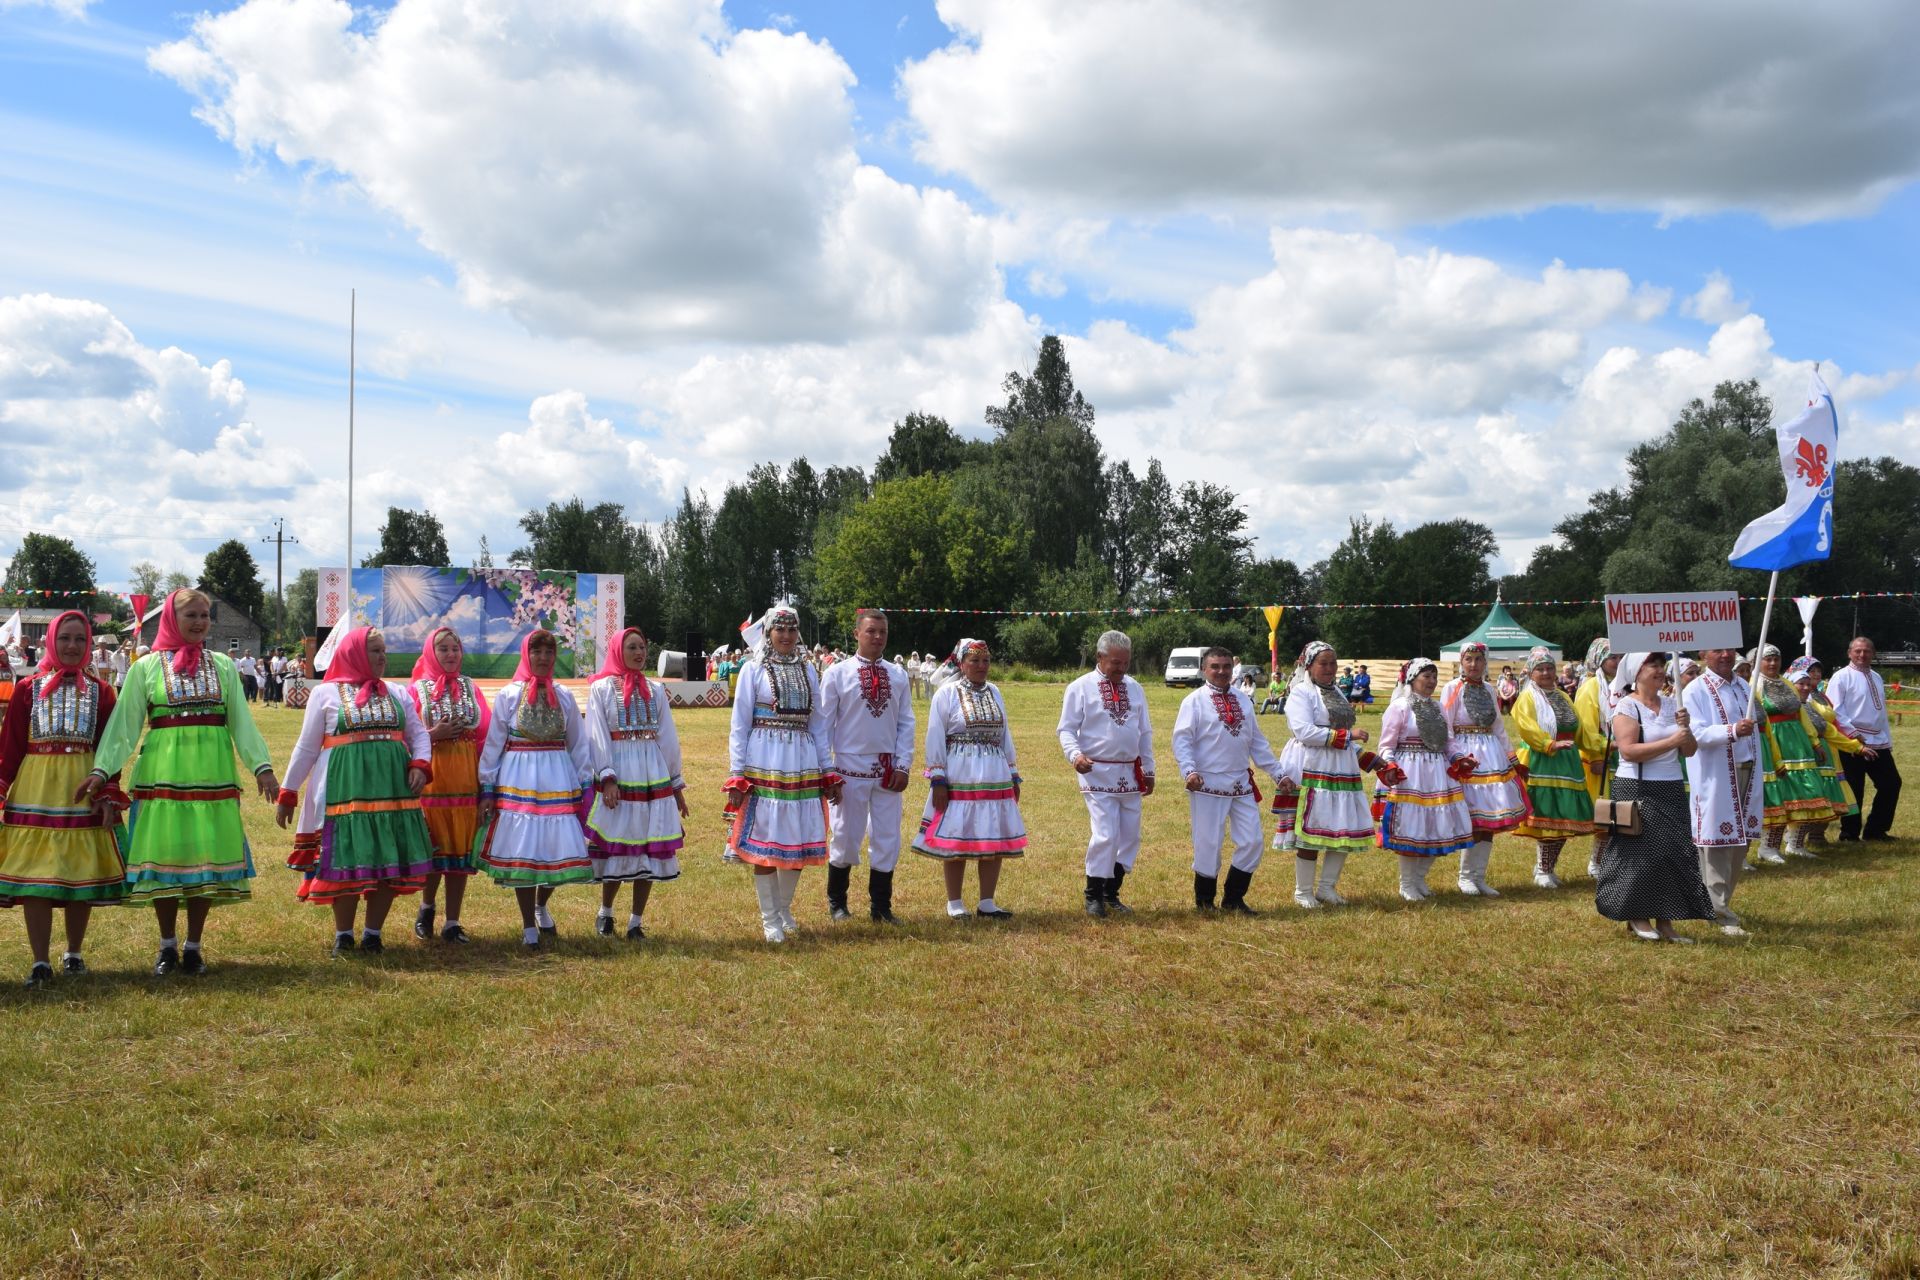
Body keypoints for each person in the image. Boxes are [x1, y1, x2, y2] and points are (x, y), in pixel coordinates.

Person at [81, 588, 279, 975]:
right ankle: (167, 944)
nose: (200, 621)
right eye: (191, 614)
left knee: (204, 860)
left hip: (213, 778)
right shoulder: (146, 667)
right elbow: (124, 726)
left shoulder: (222, 665)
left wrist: (262, 767)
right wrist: (101, 769)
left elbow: (241, 720)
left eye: (205, 614)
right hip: (163, 779)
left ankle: (194, 946)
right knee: (167, 859)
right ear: (173, 617)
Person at [276, 627, 434, 956]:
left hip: (392, 791)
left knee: (387, 857)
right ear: (354, 654)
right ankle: (344, 935)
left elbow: (418, 734)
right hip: (344, 790)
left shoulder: (397, 692)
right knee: (346, 858)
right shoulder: (326, 693)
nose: (382, 657)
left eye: (383, 651)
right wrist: (288, 792)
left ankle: (373, 934)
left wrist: (420, 763)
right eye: (374, 650)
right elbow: (306, 748)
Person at [0, 612, 129, 986]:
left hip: (82, 790)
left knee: (77, 873)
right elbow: (10, 747)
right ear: (51, 642)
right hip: (36, 789)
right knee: (36, 877)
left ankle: (74, 952)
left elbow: (110, 747)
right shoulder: (27, 688)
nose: (71, 646)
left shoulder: (103, 691)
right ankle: (40, 961)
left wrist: (108, 790)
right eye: (65, 639)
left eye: (79, 639)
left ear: (88, 644)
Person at [476, 630, 598, 949]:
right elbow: (493, 744)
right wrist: (487, 786)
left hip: (557, 776)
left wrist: (586, 782)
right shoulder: (508, 695)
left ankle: (542, 904)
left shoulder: (565, 695)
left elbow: (578, 742)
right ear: (526, 654)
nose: (543, 658)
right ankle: (528, 923)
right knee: (525, 849)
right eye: (537, 651)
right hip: (520, 777)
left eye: (549, 651)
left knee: (556, 845)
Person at [724, 604, 838, 943]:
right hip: (765, 760)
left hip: (801, 762)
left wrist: (827, 769)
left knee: (798, 837)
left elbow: (818, 725)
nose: (786, 636)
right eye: (780, 629)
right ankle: (770, 919)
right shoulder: (752, 670)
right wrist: (737, 772)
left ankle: (785, 908)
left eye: (791, 630)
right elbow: (739, 725)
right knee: (767, 839)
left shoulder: (807, 670)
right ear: (769, 633)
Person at [1595, 652, 1714, 942]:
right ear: (1637, 672)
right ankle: (1637, 915)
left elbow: (1690, 751)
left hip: (1671, 786)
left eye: (1662, 665)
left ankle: (1665, 920)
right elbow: (1628, 751)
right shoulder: (1627, 706)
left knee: (1673, 853)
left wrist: (1686, 731)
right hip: (1636, 788)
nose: (1661, 671)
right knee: (1637, 855)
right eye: (1654, 666)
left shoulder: (1675, 704)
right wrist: (1673, 739)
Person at [583, 627, 688, 940]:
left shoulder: (655, 690)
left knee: (649, 844)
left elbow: (667, 736)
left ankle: (635, 921)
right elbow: (596, 734)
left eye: (642, 647)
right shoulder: (601, 688)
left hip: (651, 772)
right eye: (632, 647)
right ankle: (606, 913)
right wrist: (607, 776)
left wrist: (676, 785)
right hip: (620, 770)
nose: (639, 653)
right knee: (618, 842)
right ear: (618, 650)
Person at [911, 638, 1025, 919]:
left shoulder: (995, 691)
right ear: (961, 663)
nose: (981, 666)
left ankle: (987, 902)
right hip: (960, 771)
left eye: (985, 660)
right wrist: (938, 777)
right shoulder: (947, 694)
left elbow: (1004, 733)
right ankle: (955, 903)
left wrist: (1013, 773)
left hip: (994, 771)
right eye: (974, 660)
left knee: (993, 835)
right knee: (959, 836)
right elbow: (935, 735)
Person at [821, 609, 914, 923]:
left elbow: (905, 723)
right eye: (871, 631)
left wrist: (903, 765)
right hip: (848, 768)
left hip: (888, 769)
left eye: (883, 632)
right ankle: (837, 902)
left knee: (887, 837)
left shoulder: (898, 675)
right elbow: (824, 726)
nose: (877, 637)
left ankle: (881, 907)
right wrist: (827, 771)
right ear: (857, 633)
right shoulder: (837, 673)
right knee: (845, 835)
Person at [1174, 647, 1282, 913]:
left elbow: (1256, 742)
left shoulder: (1244, 700)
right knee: (1208, 843)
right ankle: (1205, 901)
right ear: (1204, 669)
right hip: (1206, 784)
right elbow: (1182, 740)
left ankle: (1233, 899)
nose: (1221, 671)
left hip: (1240, 784)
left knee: (1253, 841)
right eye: (1215, 667)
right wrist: (1189, 771)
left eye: (1225, 666)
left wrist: (1279, 773)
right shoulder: (1194, 701)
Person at [1059, 629, 1155, 917]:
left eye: (1126, 663)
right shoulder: (1080, 687)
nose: (1121, 669)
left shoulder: (1135, 688)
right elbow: (1066, 729)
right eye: (1115, 662)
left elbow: (1145, 732)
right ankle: (1093, 895)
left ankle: (1111, 893)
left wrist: (1149, 769)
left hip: (1130, 774)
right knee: (1105, 834)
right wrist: (1075, 756)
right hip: (1097, 772)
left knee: (1129, 837)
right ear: (1100, 657)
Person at [406, 626, 491, 943]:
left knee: (459, 852)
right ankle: (426, 907)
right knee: (434, 846)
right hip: (432, 779)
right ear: (430, 652)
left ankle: (452, 922)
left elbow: (485, 736)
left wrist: (486, 786)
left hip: (465, 778)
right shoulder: (416, 691)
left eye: (456, 648)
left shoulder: (472, 688)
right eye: (443, 649)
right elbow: (406, 740)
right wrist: (434, 735)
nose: (451, 654)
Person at [1284, 641, 1381, 909]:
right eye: (1323, 663)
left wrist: (1371, 760)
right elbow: (1303, 731)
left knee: (1341, 827)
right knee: (1312, 829)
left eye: (1333, 663)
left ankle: (1327, 888)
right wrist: (1348, 735)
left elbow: (1343, 735)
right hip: (1312, 764)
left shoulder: (1337, 691)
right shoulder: (1301, 693)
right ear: (1310, 666)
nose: (1329, 668)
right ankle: (1303, 891)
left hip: (1341, 766)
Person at [1375, 657, 1474, 901]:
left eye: (1433, 677)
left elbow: (1448, 741)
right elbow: (1386, 745)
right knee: (1412, 826)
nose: (1431, 681)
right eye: (1426, 676)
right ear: (1413, 678)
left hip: (1437, 773)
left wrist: (1460, 758)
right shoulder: (1399, 707)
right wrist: (1390, 765)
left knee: (1435, 826)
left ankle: (1419, 879)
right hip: (1410, 773)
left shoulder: (1439, 707)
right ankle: (1406, 883)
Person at [1681, 647, 1762, 937]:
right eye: (1718, 651)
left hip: (1747, 769)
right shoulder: (1695, 690)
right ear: (1705, 654)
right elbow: (1696, 733)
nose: (1726, 655)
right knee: (1716, 841)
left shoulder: (1743, 685)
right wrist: (1731, 731)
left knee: (1740, 841)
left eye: (1730, 649)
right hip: (1716, 774)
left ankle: (1724, 901)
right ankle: (1716, 910)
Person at [1441, 642, 1530, 896]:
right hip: (1466, 755)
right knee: (1474, 819)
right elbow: (1446, 726)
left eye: (1479, 659)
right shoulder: (1452, 688)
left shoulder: (1491, 689)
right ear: (1461, 661)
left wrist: (1512, 759)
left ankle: (1479, 877)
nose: (1474, 664)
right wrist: (1456, 757)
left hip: (1490, 755)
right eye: (1469, 659)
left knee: (1490, 819)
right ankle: (1465, 877)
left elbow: (1499, 727)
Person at [1749, 644, 1847, 866]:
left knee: (1804, 794)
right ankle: (1767, 847)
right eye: (1768, 659)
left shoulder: (1786, 683)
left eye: (1776, 659)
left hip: (1798, 745)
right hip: (1775, 743)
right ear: (1758, 662)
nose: (1773, 663)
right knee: (1780, 796)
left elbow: (1802, 714)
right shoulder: (1753, 685)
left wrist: (1814, 742)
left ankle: (1795, 843)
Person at [1510, 646, 1595, 889]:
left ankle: (1547, 867)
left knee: (1565, 816)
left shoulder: (1563, 696)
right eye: (1541, 669)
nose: (1546, 673)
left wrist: (1598, 747)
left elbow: (1578, 728)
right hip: (1542, 759)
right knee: (1548, 815)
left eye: (1549, 668)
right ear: (1531, 672)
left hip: (1567, 760)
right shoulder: (1528, 696)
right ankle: (1543, 869)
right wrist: (1548, 744)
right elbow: (1525, 725)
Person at [1826, 637, 1901, 842]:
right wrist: (1852, 734)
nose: (1862, 655)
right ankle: (1849, 833)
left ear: (1873, 653)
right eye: (1858, 651)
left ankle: (1876, 830)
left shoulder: (1876, 677)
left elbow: (1881, 711)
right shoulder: (1841, 677)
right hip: (1853, 741)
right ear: (1849, 653)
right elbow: (1835, 710)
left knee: (1891, 783)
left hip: (1878, 740)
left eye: (1867, 651)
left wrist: (1888, 739)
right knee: (1854, 787)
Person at [1789, 657, 1861, 849]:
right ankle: (1800, 839)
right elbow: (1816, 725)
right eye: (1811, 671)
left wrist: (1852, 742)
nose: (1816, 675)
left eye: (1818, 671)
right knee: (1815, 792)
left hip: (1830, 749)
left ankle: (1817, 835)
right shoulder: (1802, 699)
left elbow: (1831, 724)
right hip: (1811, 748)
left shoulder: (1820, 695)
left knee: (1830, 791)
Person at [1574, 639, 1622, 880]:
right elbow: (1586, 729)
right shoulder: (1591, 688)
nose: (1618, 662)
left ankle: (1608, 860)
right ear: (1599, 660)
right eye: (1613, 657)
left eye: (1620, 657)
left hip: (1622, 755)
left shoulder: (1624, 685)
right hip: (1600, 757)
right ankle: (1596, 862)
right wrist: (1597, 753)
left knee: (1620, 812)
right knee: (1603, 812)